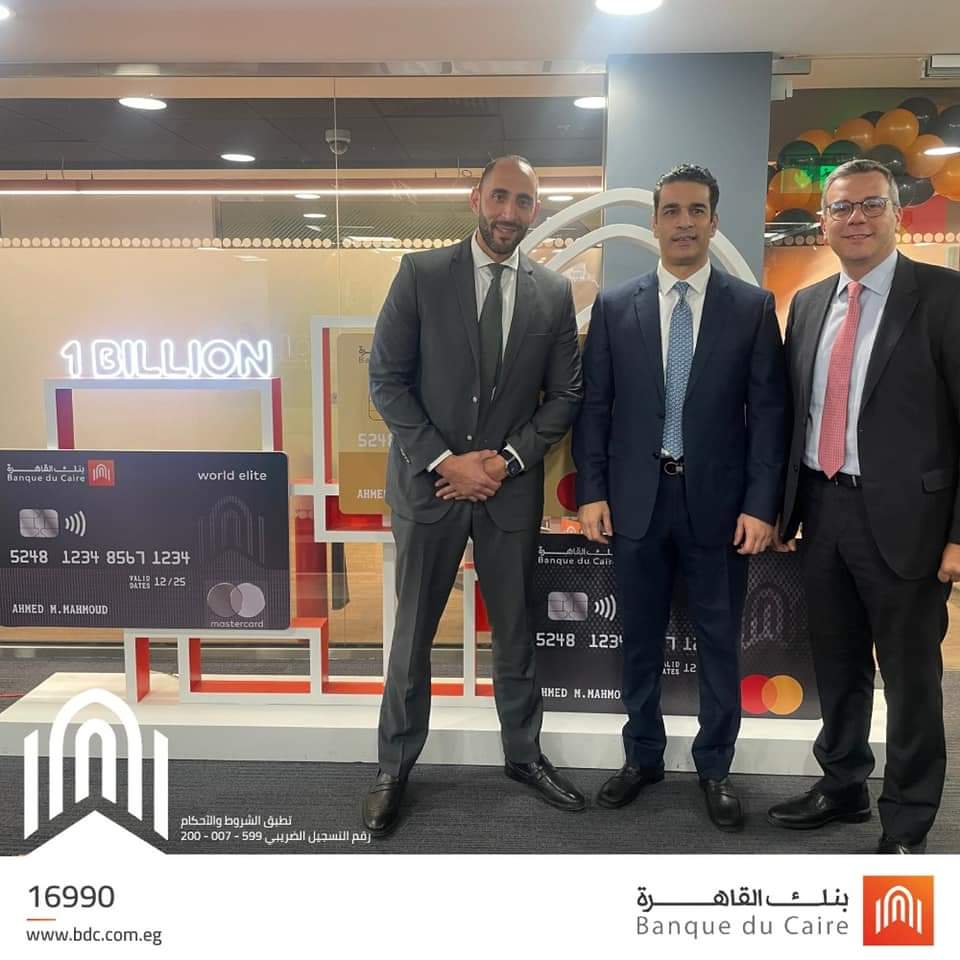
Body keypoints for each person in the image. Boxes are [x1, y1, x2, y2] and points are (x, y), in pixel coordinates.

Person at [364, 155, 585, 836]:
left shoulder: (553, 293)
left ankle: (524, 756)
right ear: (475, 199)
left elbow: (566, 394)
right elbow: (386, 380)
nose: (509, 213)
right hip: (430, 486)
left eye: (523, 202)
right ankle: (394, 767)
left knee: (515, 633)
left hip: (507, 491)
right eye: (499, 197)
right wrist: (445, 461)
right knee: (412, 635)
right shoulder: (421, 274)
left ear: (535, 210)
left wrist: (506, 461)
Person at [573, 163, 787, 831]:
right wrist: (592, 492)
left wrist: (761, 504)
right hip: (636, 503)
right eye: (672, 210)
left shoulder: (751, 308)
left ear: (714, 222)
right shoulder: (616, 307)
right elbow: (595, 409)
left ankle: (715, 767)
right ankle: (642, 758)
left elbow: (769, 414)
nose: (684, 222)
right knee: (638, 639)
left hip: (719, 508)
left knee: (720, 642)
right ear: (655, 222)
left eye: (697, 210)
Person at [768, 158, 960, 854]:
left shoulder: (944, 297)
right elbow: (794, 414)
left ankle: (907, 820)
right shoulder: (809, 303)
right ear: (823, 220)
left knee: (911, 681)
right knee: (838, 665)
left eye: (870, 204)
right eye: (841, 207)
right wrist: (784, 510)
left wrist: (959, 536)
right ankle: (842, 784)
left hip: (912, 527)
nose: (855, 218)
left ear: (896, 214)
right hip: (823, 513)